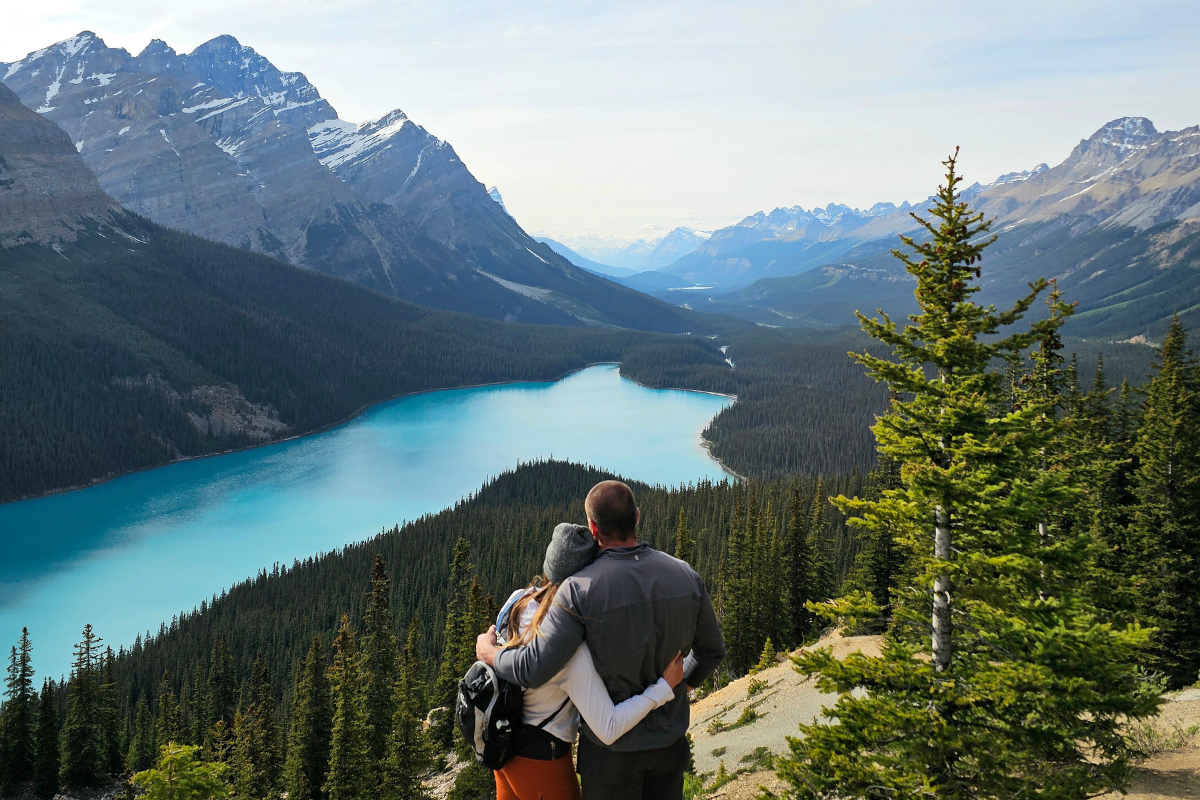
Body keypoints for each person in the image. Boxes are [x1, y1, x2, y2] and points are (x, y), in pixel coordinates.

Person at [477, 480, 726, 800]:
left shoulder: (578, 591)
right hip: (668, 744)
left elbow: (534, 668)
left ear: (593, 528)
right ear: (636, 517)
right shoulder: (685, 575)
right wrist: (678, 688)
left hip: (610, 757)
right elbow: (711, 651)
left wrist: (489, 653)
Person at [491, 522, 686, 800]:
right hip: (542, 758)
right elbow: (608, 726)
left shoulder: (517, 601)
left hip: (503, 745)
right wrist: (663, 688)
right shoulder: (566, 648)